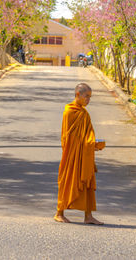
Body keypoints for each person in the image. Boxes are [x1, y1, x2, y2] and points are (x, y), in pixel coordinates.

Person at [54, 83, 104, 225]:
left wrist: (92, 144)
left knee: (87, 182)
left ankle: (88, 216)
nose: (88, 100)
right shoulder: (69, 112)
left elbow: (87, 135)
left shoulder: (84, 113)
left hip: (84, 154)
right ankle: (59, 213)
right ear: (77, 95)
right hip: (71, 155)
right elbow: (67, 137)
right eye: (86, 96)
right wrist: (87, 144)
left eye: (90, 97)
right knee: (67, 181)